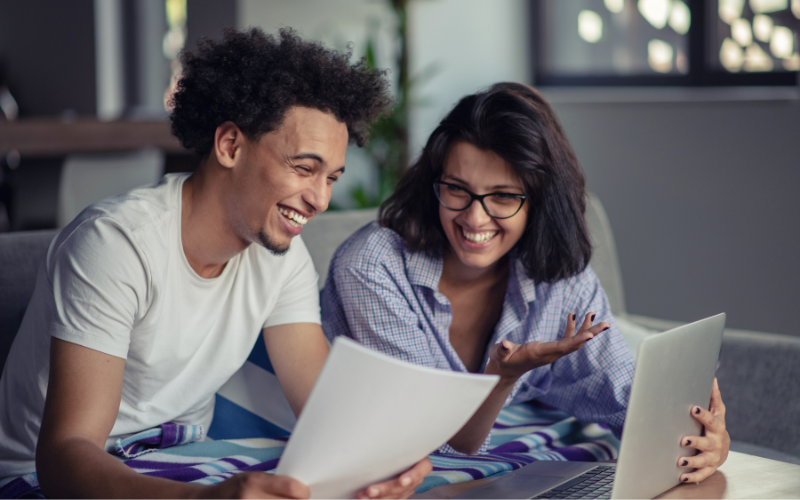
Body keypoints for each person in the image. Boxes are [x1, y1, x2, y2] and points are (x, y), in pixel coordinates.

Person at [0, 28, 431, 498]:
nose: (321, 199)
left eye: (332, 177)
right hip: (48, 480)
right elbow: (64, 456)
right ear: (229, 145)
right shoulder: (116, 244)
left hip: (181, 458)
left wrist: (389, 456)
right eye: (304, 168)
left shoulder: (281, 256)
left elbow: (327, 411)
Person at [321, 82, 730, 483]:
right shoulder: (373, 266)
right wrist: (503, 378)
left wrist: (705, 441)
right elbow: (429, 443)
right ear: (434, 186)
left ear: (539, 201)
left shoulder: (562, 280)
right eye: (457, 189)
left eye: (502, 196)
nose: (474, 219)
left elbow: (626, 404)